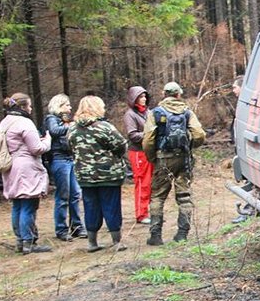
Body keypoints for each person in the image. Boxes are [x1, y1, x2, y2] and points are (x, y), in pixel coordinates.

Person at [142, 82, 206, 246]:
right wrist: (190, 148)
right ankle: (182, 234)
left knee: (157, 196)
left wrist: (152, 157)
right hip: (183, 159)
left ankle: (155, 236)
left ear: (164, 94)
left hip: (163, 159)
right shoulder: (187, 112)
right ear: (179, 94)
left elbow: (148, 140)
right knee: (184, 196)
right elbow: (199, 134)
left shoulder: (155, 113)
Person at [67, 96, 129, 252]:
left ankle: (92, 243)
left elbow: (70, 147)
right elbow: (121, 144)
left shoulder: (72, 129)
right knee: (111, 206)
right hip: (108, 175)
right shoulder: (104, 127)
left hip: (85, 176)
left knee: (90, 207)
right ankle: (116, 241)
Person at [0, 93, 53, 255]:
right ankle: (28, 243)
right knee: (29, 205)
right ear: (22, 107)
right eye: (29, 106)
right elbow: (36, 148)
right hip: (25, 168)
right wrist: (47, 140)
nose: (30, 109)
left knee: (17, 205)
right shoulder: (24, 123)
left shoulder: (5, 122)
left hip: (10, 167)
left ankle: (20, 241)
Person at [44, 94, 86, 241]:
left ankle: (77, 226)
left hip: (70, 159)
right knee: (63, 196)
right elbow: (55, 131)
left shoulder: (66, 121)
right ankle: (61, 229)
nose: (70, 108)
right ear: (59, 106)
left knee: (75, 194)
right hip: (59, 160)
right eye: (67, 105)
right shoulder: (51, 119)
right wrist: (70, 126)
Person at [123, 86, 152, 224]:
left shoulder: (149, 112)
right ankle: (141, 214)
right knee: (142, 182)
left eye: (145, 96)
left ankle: (148, 211)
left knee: (150, 183)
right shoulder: (130, 114)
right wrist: (150, 134)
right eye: (140, 97)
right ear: (133, 98)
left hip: (149, 151)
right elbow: (132, 134)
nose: (144, 99)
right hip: (137, 152)